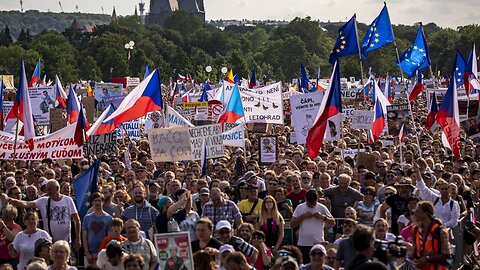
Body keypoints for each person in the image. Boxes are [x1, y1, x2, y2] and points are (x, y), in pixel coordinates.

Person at [3, 180, 81, 247]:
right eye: (47, 190)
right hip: (49, 241)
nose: (48, 192)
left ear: (57, 189)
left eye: (50, 189)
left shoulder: (68, 200)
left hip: (65, 242)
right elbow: (27, 204)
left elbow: (77, 220)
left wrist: (78, 238)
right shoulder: (43, 201)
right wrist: (13, 201)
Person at [291, 189, 335, 264]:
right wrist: (302, 216)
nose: (311, 205)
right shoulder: (300, 207)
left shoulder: (322, 207)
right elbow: (292, 224)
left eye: (313, 203)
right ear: (305, 199)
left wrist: (323, 217)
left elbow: (333, 223)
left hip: (318, 243)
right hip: (303, 244)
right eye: (309, 204)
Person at [411, 201, 451, 270]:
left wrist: (427, 259)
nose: (414, 214)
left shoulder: (440, 231)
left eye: (417, 211)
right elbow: (415, 251)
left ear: (425, 214)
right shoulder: (415, 230)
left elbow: (446, 254)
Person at [83, 192, 113, 266]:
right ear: (92, 202)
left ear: (102, 202)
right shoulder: (87, 218)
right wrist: (87, 253)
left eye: (99, 200)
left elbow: (109, 238)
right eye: (95, 201)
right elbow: (84, 237)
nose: (97, 203)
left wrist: (98, 253)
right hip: (89, 255)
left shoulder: (109, 218)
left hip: (103, 254)